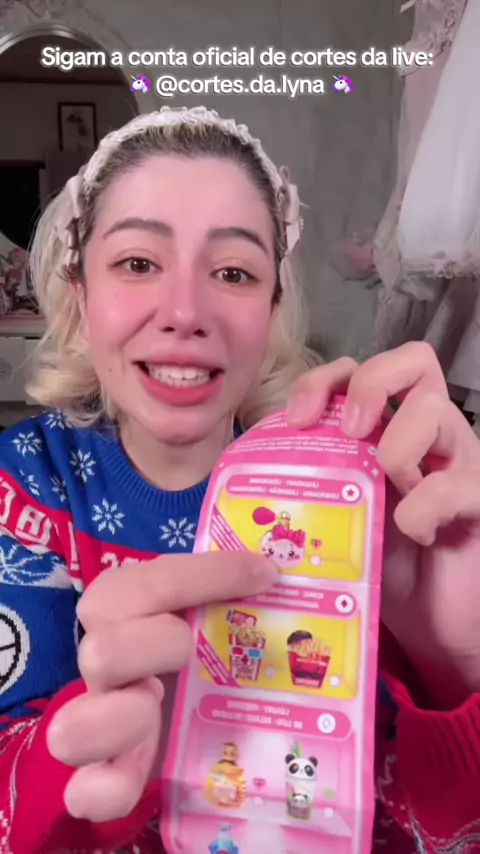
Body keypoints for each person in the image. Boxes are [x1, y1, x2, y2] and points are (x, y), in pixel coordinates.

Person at [0, 104, 479, 854]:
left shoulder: (370, 496)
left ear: (272, 308)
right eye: (137, 263)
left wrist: (459, 668)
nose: (186, 312)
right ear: (80, 292)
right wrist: (105, 752)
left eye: (233, 272)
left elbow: (427, 826)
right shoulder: (26, 484)